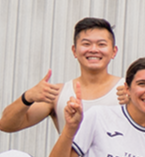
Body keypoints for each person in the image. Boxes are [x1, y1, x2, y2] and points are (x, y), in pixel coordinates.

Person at [1, 18, 124, 147]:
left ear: (114, 51)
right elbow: (6, 125)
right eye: (86, 44)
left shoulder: (128, 91)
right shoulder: (57, 94)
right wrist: (28, 97)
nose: (93, 49)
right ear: (74, 51)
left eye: (101, 44)